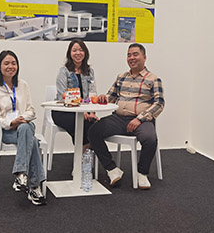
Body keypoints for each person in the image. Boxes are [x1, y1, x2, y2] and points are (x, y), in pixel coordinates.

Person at [89, 43, 164, 190]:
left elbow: (159, 103)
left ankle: (142, 173)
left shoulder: (154, 79)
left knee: (150, 139)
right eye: (129, 55)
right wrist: (104, 98)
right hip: (118, 119)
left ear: (144, 57)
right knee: (93, 131)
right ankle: (112, 169)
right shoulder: (121, 77)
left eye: (135, 54)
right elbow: (111, 97)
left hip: (141, 120)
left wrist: (140, 119)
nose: (131, 58)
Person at [0, 50, 47, 206]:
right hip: (7, 131)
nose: (10, 66)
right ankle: (34, 186)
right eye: (6, 63)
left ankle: (21, 175)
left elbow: (31, 110)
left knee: (25, 129)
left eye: (13, 63)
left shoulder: (23, 85)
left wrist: (22, 119)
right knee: (32, 141)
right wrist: (11, 123)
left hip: (25, 125)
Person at [52, 39, 98, 150]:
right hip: (63, 111)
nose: (78, 53)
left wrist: (91, 112)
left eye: (81, 50)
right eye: (74, 50)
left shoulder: (90, 71)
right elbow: (63, 95)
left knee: (94, 124)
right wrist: (82, 112)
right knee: (84, 124)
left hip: (84, 111)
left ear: (85, 52)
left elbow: (92, 93)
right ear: (70, 53)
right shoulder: (64, 71)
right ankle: (85, 154)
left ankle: (82, 155)